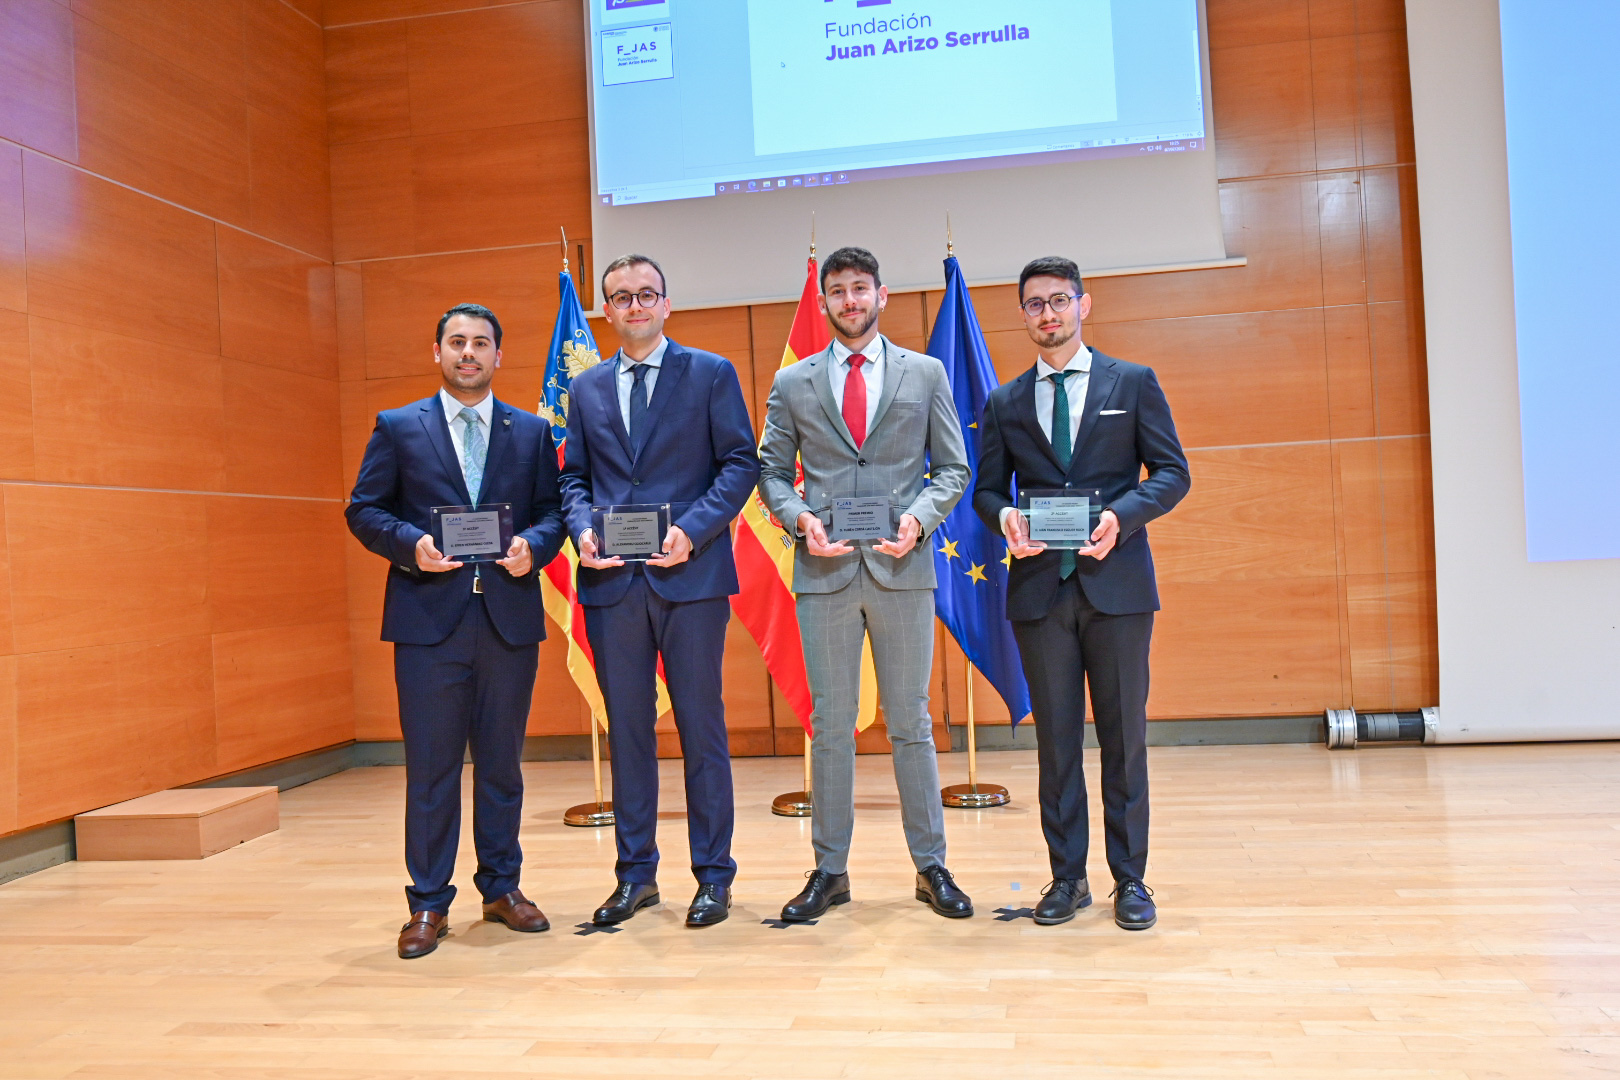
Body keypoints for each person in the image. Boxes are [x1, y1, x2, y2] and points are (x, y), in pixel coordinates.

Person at [758, 246, 974, 922]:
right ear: (823, 304)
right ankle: (829, 870)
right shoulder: (795, 381)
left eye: (860, 289)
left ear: (882, 294)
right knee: (829, 725)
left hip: (902, 567)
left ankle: (931, 866)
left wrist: (917, 520)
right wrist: (797, 520)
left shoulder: (927, 372)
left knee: (910, 720)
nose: (850, 301)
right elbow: (770, 471)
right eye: (838, 292)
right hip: (823, 572)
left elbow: (953, 469)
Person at [974, 257, 1190, 930]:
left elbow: (1173, 473)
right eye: (1035, 304)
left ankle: (1132, 880)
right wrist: (1005, 519)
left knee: (1123, 740)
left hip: (1117, 589)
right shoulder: (1006, 401)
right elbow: (985, 489)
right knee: (1057, 745)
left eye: (1058, 301)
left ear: (1083, 305)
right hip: (1041, 593)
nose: (1047, 314)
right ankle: (1068, 879)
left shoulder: (1133, 382)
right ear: (1023, 314)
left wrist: (1121, 517)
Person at [347, 303, 567, 958]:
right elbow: (364, 509)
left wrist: (534, 545)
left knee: (502, 766)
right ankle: (427, 902)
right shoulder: (397, 427)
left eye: (481, 344)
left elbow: (553, 514)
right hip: (427, 623)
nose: (468, 353)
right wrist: (409, 543)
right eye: (456, 342)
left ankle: (502, 888)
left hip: (506, 619)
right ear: (436, 352)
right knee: (432, 769)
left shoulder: (530, 432)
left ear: (499, 356)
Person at [561, 255, 761, 928]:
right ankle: (635, 875)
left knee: (701, 730)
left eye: (646, 294)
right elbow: (573, 480)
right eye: (621, 297)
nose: (635, 305)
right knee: (629, 734)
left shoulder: (709, 373)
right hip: (613, 584)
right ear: (607, 312)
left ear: (666, 304)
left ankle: (713, 878)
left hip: (691, 578)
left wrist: (696, 532)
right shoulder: (585, 389)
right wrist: (584, 529)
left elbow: (740, 464)